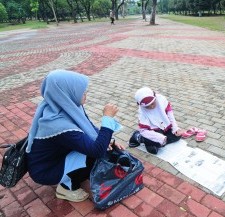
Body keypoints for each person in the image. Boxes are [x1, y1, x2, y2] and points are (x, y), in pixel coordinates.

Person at [26, 70, 122, 202]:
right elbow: (97, 151)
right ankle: (66, 187)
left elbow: (89, 127)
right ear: (66, 92)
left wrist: (108, 140)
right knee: (94, 157)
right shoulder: (57, 124)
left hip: (56, 157)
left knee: (99, 149)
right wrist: (107, 119)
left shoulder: (65, 106)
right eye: (82, 91)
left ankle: (71, 173)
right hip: (46, 170)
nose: (85, 93)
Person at [128, 87, 184, 154]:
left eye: (153, 103)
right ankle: (138, 137)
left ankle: (156, 142)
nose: (151, 107)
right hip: (153, 130)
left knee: (177, 136)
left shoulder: (161, 100)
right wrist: (160, 137)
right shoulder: (142, 112)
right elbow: (143, 130)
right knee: (154, 149)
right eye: (147, 106)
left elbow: (170, 115)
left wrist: (175, 128)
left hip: (165, 126)